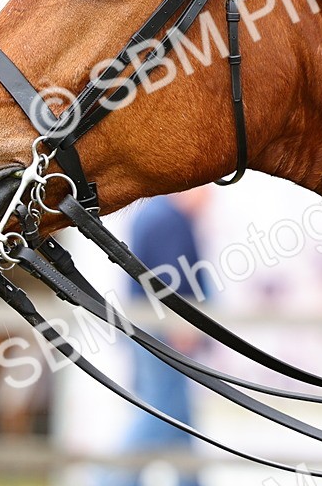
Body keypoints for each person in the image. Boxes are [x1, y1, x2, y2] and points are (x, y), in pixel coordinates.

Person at [103, 188, 211, 486]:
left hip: (151, 329)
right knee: (159, 415)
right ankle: (108, 481)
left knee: (178, 419)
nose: (210, 197)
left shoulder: (155, 213)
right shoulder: (169, 219)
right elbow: (170, 279)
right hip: (163, 333)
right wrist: (181, 325)